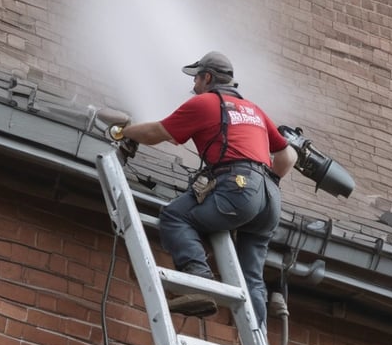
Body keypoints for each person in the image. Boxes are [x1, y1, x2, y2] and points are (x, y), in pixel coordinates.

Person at [120, 51, 297, 328]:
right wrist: (264, 181)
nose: (193, 86)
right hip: (269, 200)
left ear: (208, 78)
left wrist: (124, 132)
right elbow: (289, 157)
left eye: (197, 79)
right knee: (251, 275)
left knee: (175, 217)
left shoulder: (205, 104)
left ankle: (199, 282)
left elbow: (157, 132)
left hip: (237, 190)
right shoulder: (254, 109)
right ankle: (257, 332)